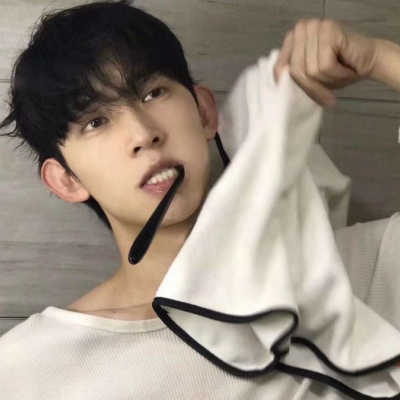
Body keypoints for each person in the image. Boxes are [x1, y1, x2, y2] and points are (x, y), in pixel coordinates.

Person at [0, 1, 400, 399]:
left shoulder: (355, 268)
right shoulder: (28, 367)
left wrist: (379, 59)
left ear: (205, 113)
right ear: (66, 180)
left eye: (153, 92)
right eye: (96, 121)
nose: (143, 133)